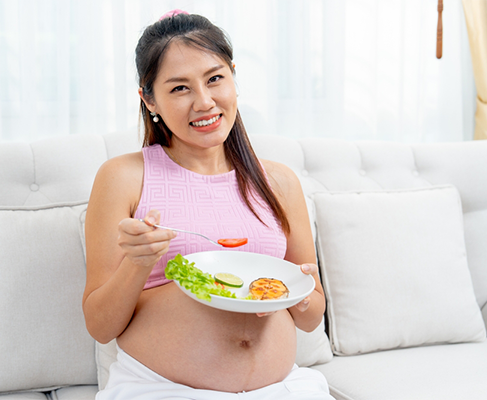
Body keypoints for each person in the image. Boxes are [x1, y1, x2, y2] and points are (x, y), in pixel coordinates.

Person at [83, 10, 334, 400]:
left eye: (215, 78)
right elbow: (100, 326)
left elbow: (312, 315)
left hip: (282, 388)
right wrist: (137, 262)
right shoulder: (123, 177)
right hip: (160, 389)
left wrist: (294, 292)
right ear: (149, 100)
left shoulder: (280, 182)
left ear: (233, 77)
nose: (204, 102)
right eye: (179, 88)